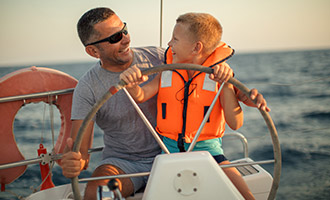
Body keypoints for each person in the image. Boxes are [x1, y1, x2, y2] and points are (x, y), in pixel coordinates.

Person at [120, 12, 267, 199]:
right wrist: (131, 84)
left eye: (175, 39)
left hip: (210, 153)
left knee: (245, 196)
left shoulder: (220, 77)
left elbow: (236, 124)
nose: (169, 43)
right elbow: (141, 95)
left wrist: (227, 84)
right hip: (168, 154)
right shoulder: (167, 72)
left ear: (196, 47)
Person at [59, 7, 165, 199]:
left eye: (124, 30)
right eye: (115, 38)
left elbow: (202, 62)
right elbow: (82, 153)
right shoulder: (87, 87)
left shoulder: (159, 58)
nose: (126, 39)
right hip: (124, 164)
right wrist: (74, 162)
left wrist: (221, 68)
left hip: (172, 151)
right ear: (93, 51)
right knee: (98, 194)